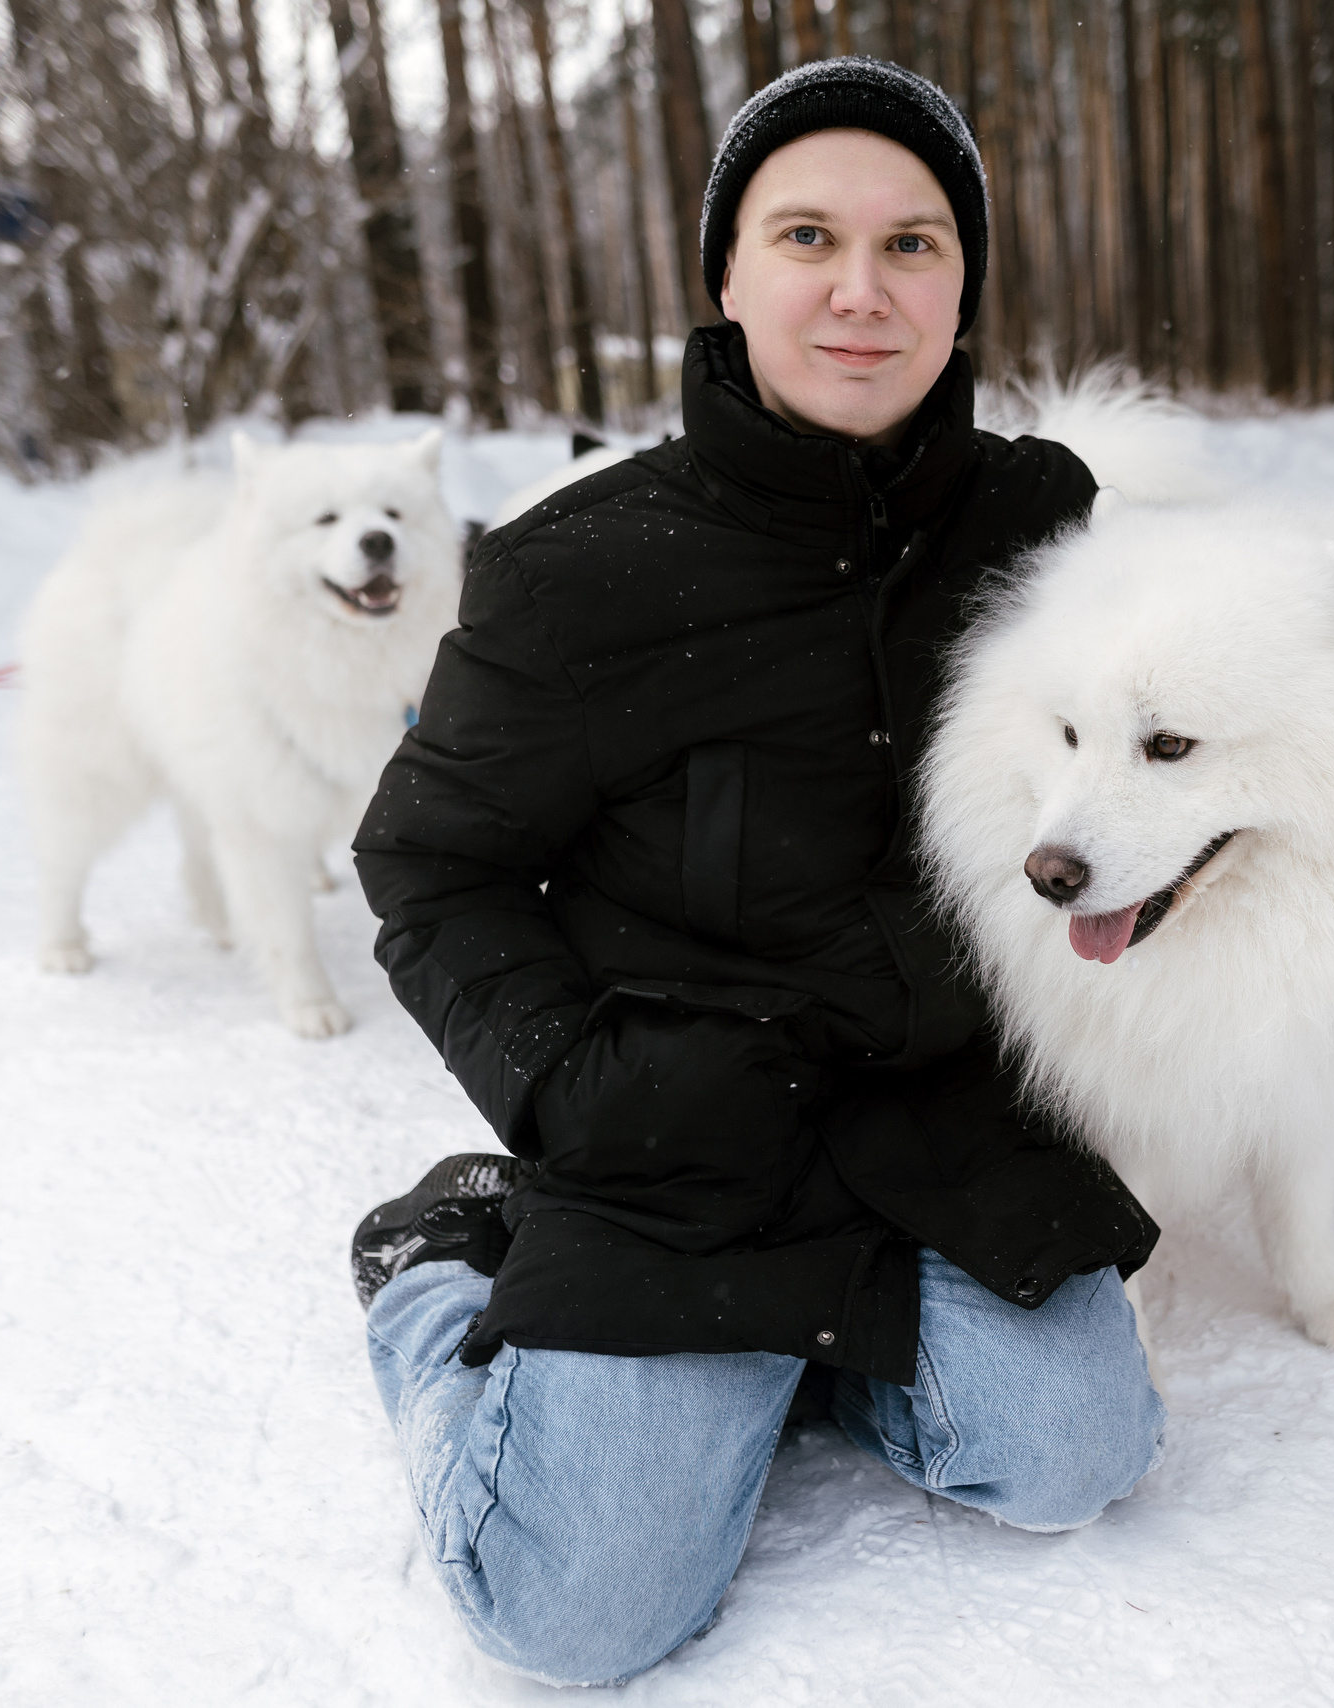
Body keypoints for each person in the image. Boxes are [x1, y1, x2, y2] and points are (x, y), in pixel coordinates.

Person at [346, 59, 1165, 1686]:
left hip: (937, 1117)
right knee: (573, 1619)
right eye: (807, 237)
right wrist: (572, 1088)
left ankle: (802, 1357)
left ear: (963, 283)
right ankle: (443, 1267)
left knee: (1082, 1454)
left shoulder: (1042, 522)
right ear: (728, 275)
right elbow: (429, 867)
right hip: (675, 1132)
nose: (862, 292)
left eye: (914, 245)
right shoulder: (575, 568)